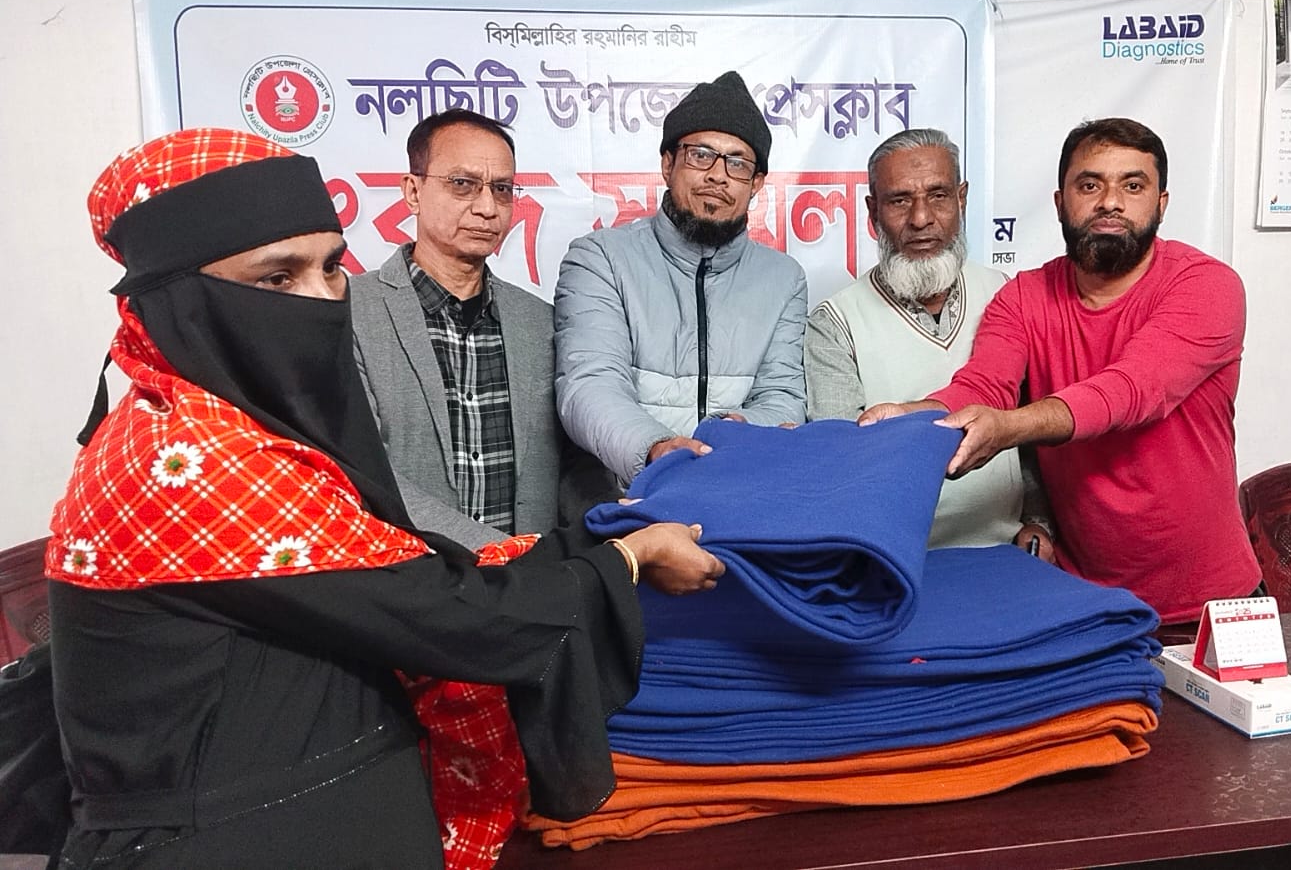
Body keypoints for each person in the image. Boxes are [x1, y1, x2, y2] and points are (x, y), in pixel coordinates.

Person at [45, 128, 724, 869]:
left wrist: (597, 538)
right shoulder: (185, 462)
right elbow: (437, 609)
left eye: (331, 267)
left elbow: (383, 568)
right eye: (277, 279)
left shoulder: (234, 425)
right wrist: (625, 559)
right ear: (182, 300)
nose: (320, 301)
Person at [861, 118, 1260, 623]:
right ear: (1059, 202)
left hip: (1212, 604)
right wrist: (913, 414)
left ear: (1161, 204)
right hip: (1081, 597)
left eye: (1132, 186)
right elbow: (983, 385)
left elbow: (1130, 392)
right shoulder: (1022, 296)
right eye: (1089, 185)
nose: (1110, 202)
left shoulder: (1207, 286)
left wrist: (1009, 427)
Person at [351, 109, 607, 549]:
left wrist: (602, 545)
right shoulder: (352, 313)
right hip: (411, 578)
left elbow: (576, 468)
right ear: (412, 191)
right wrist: (502, 554)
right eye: (462, 184)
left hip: (534, 581)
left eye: (502, 189)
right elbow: (364, 473)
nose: (487, 208)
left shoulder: (541, 323)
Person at [806, 128, 1054, 554]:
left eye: (938, 196)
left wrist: (1038, 522)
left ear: (962, 199)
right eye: (900, 201)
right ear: (873, 211)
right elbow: (844, 469)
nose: (921, 218)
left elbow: (1031, 429)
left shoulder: (1005, 293)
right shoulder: (835, 322)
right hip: (894, 556)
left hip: (1006, 551)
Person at [555, 70, 807, 486]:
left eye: (738, 163)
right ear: (668, 164)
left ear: (756, 184)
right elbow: (590, 385)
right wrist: (656, 449)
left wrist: (738, 433)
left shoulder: (783, 279)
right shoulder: (601, 258)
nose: (718, 176)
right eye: (701, 155)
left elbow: (783, 396)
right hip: (627, 499)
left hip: (737, 488)